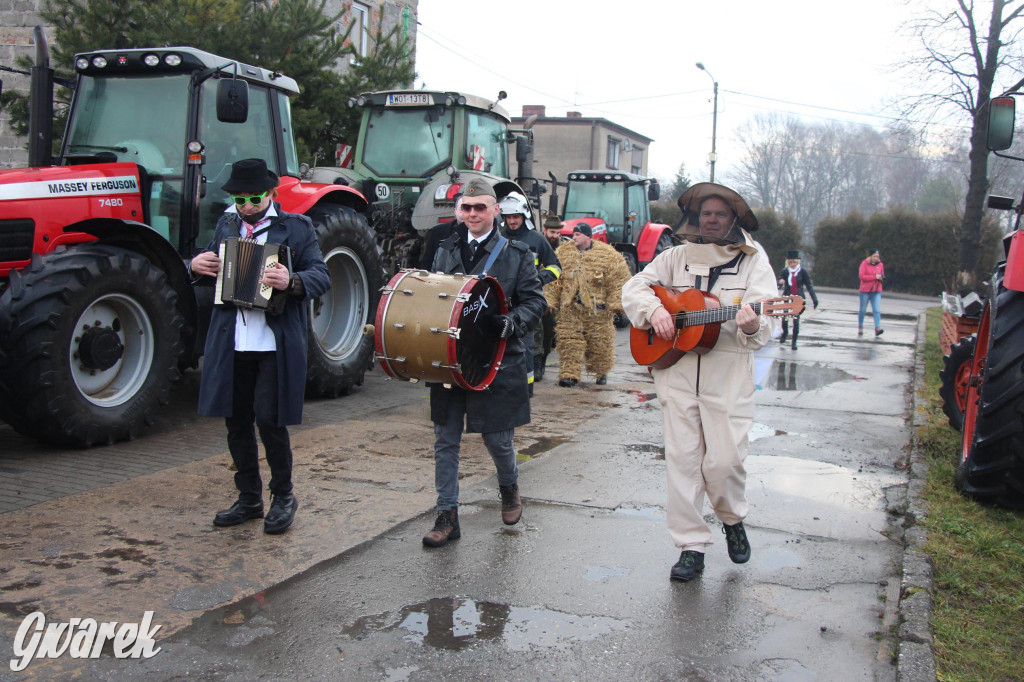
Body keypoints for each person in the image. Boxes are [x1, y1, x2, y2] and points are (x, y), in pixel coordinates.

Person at [621, 182, 778, 582]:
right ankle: (690, 547)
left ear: (734, 219)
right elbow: (635, 287)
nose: (711, 220)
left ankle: (732, 518)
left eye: (720, 214)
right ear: (695, 216)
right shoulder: (676, 256)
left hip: (728, 375)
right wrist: (654, 310)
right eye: (706, 213)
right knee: (683, 463)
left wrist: (753, 323)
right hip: (675, 372)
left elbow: (765, 324)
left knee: (725, 462)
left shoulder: (754, 261)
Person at [190, 158, 330, 534]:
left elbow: (321, 274)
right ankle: (249, 497)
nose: (247, 206)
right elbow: (209, 266)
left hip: (272, 341)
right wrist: (195, 265)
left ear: (270, 193)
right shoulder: (227, 224)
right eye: (240, 199)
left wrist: (292, 280)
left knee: (269, 420)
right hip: (233, 339)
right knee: (236, 420)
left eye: (254, 198)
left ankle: (283, 496)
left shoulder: (296, 227)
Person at [421, 178, 547, 547]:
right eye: (467, 207)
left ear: (495, 210)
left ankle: (509, 486)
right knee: (445, 439)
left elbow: (536, 302)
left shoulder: (518, 253)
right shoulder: (444, 250)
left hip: (496, 359)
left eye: (480, 207)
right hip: (449, 359)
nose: (473, 214)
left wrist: (513, 322)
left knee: (497, 439)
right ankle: (447, 515)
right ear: (459, 211)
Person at [546, 223, 631, 387]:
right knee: (569, 340)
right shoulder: (563, 253)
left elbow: (618, 279)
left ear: (588, 236)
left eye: (577, 234)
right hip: (570, 308)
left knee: (599, 342)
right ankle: (569, 374)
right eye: (573, 234)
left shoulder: (607, 255)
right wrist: (550, 300)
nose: (574, 237)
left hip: (598, 309)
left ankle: (601, 371)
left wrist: (616, 303)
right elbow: (554, 280)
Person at [499, 192, 561, 383]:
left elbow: (556, 267)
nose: (512, 221)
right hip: (502, 298)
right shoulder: (498, 237)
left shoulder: (537, 239)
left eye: (515, 216)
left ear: (524, 215)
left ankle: (531, 378)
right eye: (508, 217)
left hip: (527, 299)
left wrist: (538, 279)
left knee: (530, 339)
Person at [538, 215, 565, 374]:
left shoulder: (564, 250)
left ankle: (541, 362)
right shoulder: (538, 244)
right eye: (552, 232)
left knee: (548, 333)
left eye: (557, 233)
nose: (555, 236)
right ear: (545, 230)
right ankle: (535, 364)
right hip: (536, 295)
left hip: (554, 302)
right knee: (535, 334)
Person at [777, 250, 818, 350]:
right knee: (785, 319)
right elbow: (779, 284)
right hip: (787, 297)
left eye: (794, 262)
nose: (792, 264)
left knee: (796, 321)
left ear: (797, 262)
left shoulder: (803, 272)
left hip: (798, 299)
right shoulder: (785, 271)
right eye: (790, 262)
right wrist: (780, 282)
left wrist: (814, 299)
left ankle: (794, 342)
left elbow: (809, 285)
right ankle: (785, 333)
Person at [419, 194, 463, 270]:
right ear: (455, 211)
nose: (469, 213)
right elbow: (427, 265)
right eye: (463, 208)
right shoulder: (438, 232)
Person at [858, 249, 885, 337]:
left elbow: (882, 276)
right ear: (870, 256)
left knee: (876, 310)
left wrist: (881, 278)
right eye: (874, 256)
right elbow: (862, 276)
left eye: (877, 256)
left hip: (876, 291)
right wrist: (874, 277)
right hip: (865, 291)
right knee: (862, 310)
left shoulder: (880, 265)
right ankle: (860, 326)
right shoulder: (864, 264)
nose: (876, 258)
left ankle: (877, 327)